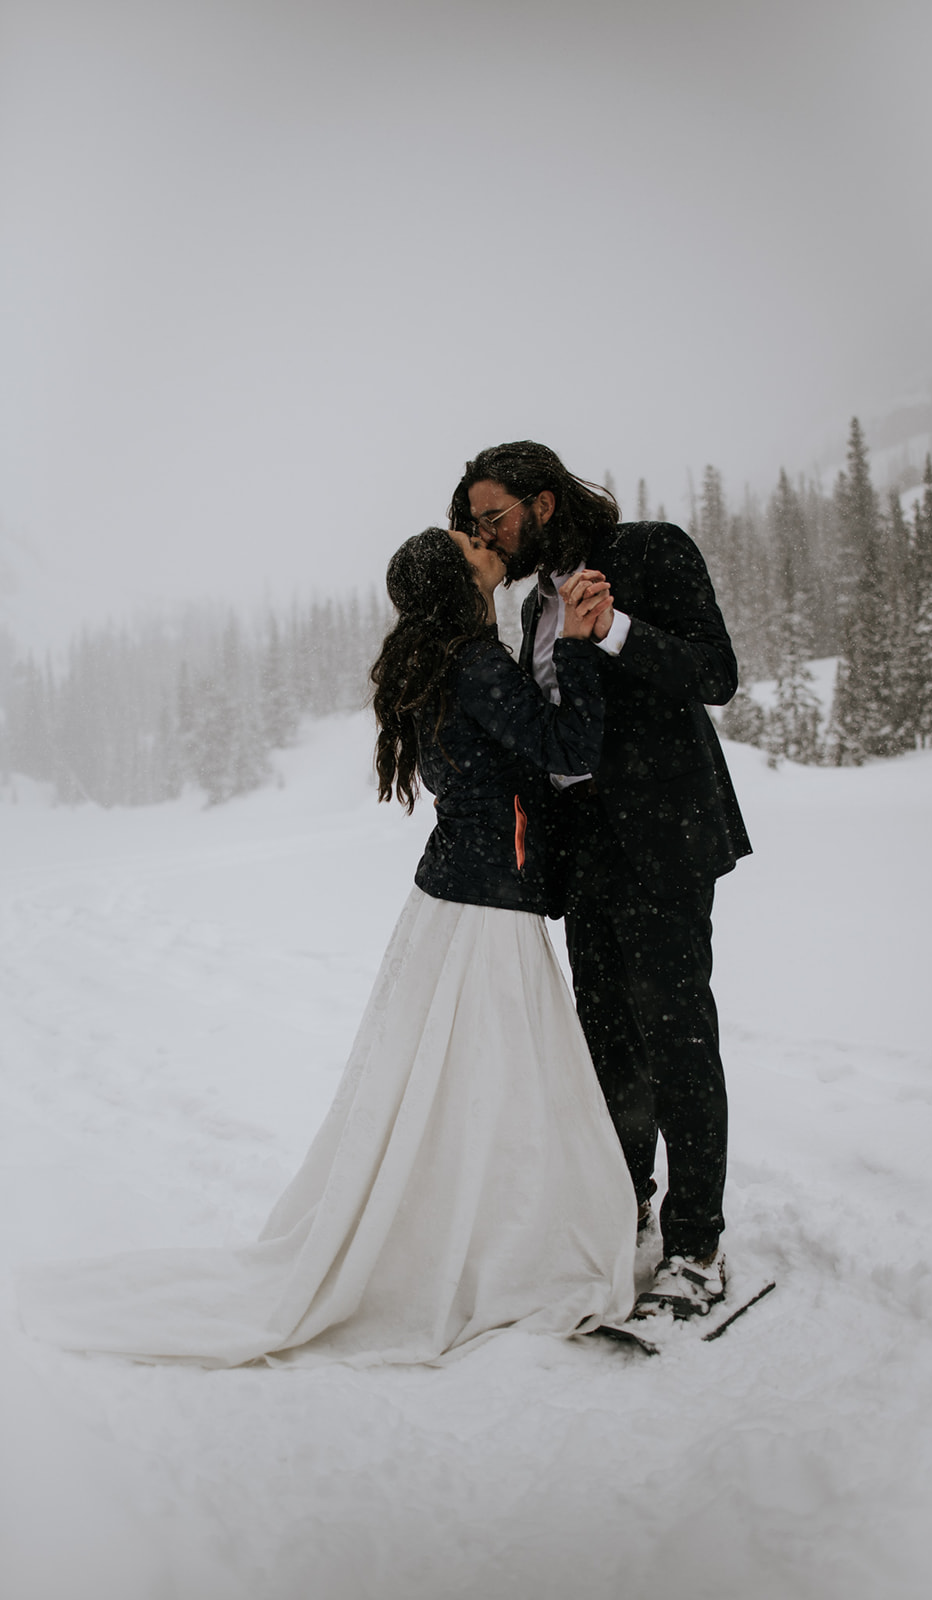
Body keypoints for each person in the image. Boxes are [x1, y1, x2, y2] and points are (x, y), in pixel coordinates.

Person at [18, 527, 636, 1367]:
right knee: (496, 1078)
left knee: (462, 1081)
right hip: (484, 899)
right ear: (460, 583)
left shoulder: (444, 657)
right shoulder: (475, 659)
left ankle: (463, 1228)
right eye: (470, 543)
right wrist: (578, 648)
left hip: (459, 894)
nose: (485, 542)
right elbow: (571, 751)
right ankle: (492, 1247)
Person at [450, 443, 752, 1318]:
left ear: (543, 503)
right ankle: (623, 1207)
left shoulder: (650, 551)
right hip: (583, 854)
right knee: (608, 1042)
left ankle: (697, 1245)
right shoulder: (532, 605)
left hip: (663, 838)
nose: (486, 535)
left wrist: (615, 631)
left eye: (493, 517)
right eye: (475, 526)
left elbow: (716, 673)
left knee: (677, 1036)